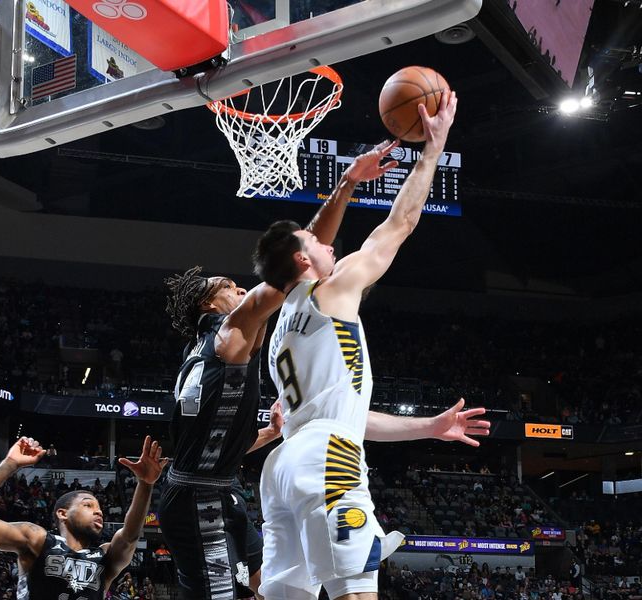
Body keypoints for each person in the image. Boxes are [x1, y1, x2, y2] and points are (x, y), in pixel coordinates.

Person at [252, 89, 491, 600]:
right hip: (326, 459)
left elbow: (346, 415)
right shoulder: (330, 289)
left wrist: (430, 427)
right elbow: (397, 227)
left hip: (283, 468)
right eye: (313, 241)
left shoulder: (279, 333)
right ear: (301, 263)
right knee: (357, 594)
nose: (326, 241)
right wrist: (433, 149)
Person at [160, 139, 402, 600]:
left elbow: (208, 442)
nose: (239, 288)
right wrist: (347, 183)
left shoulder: (197, 353)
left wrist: (265, 437)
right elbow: (299, 259)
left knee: (269, 587)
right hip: (198, 497)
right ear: (211, 303)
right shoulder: (230, 331)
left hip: (214, 485)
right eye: (229, 286)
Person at [0, 435, 166, 600]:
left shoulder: (105, 556)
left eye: (99, 507)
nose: (98, 511)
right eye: (88, 505)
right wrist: (9, 465)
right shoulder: (37, 539)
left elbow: (129, 536)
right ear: (62, 513)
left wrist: (145, 485)